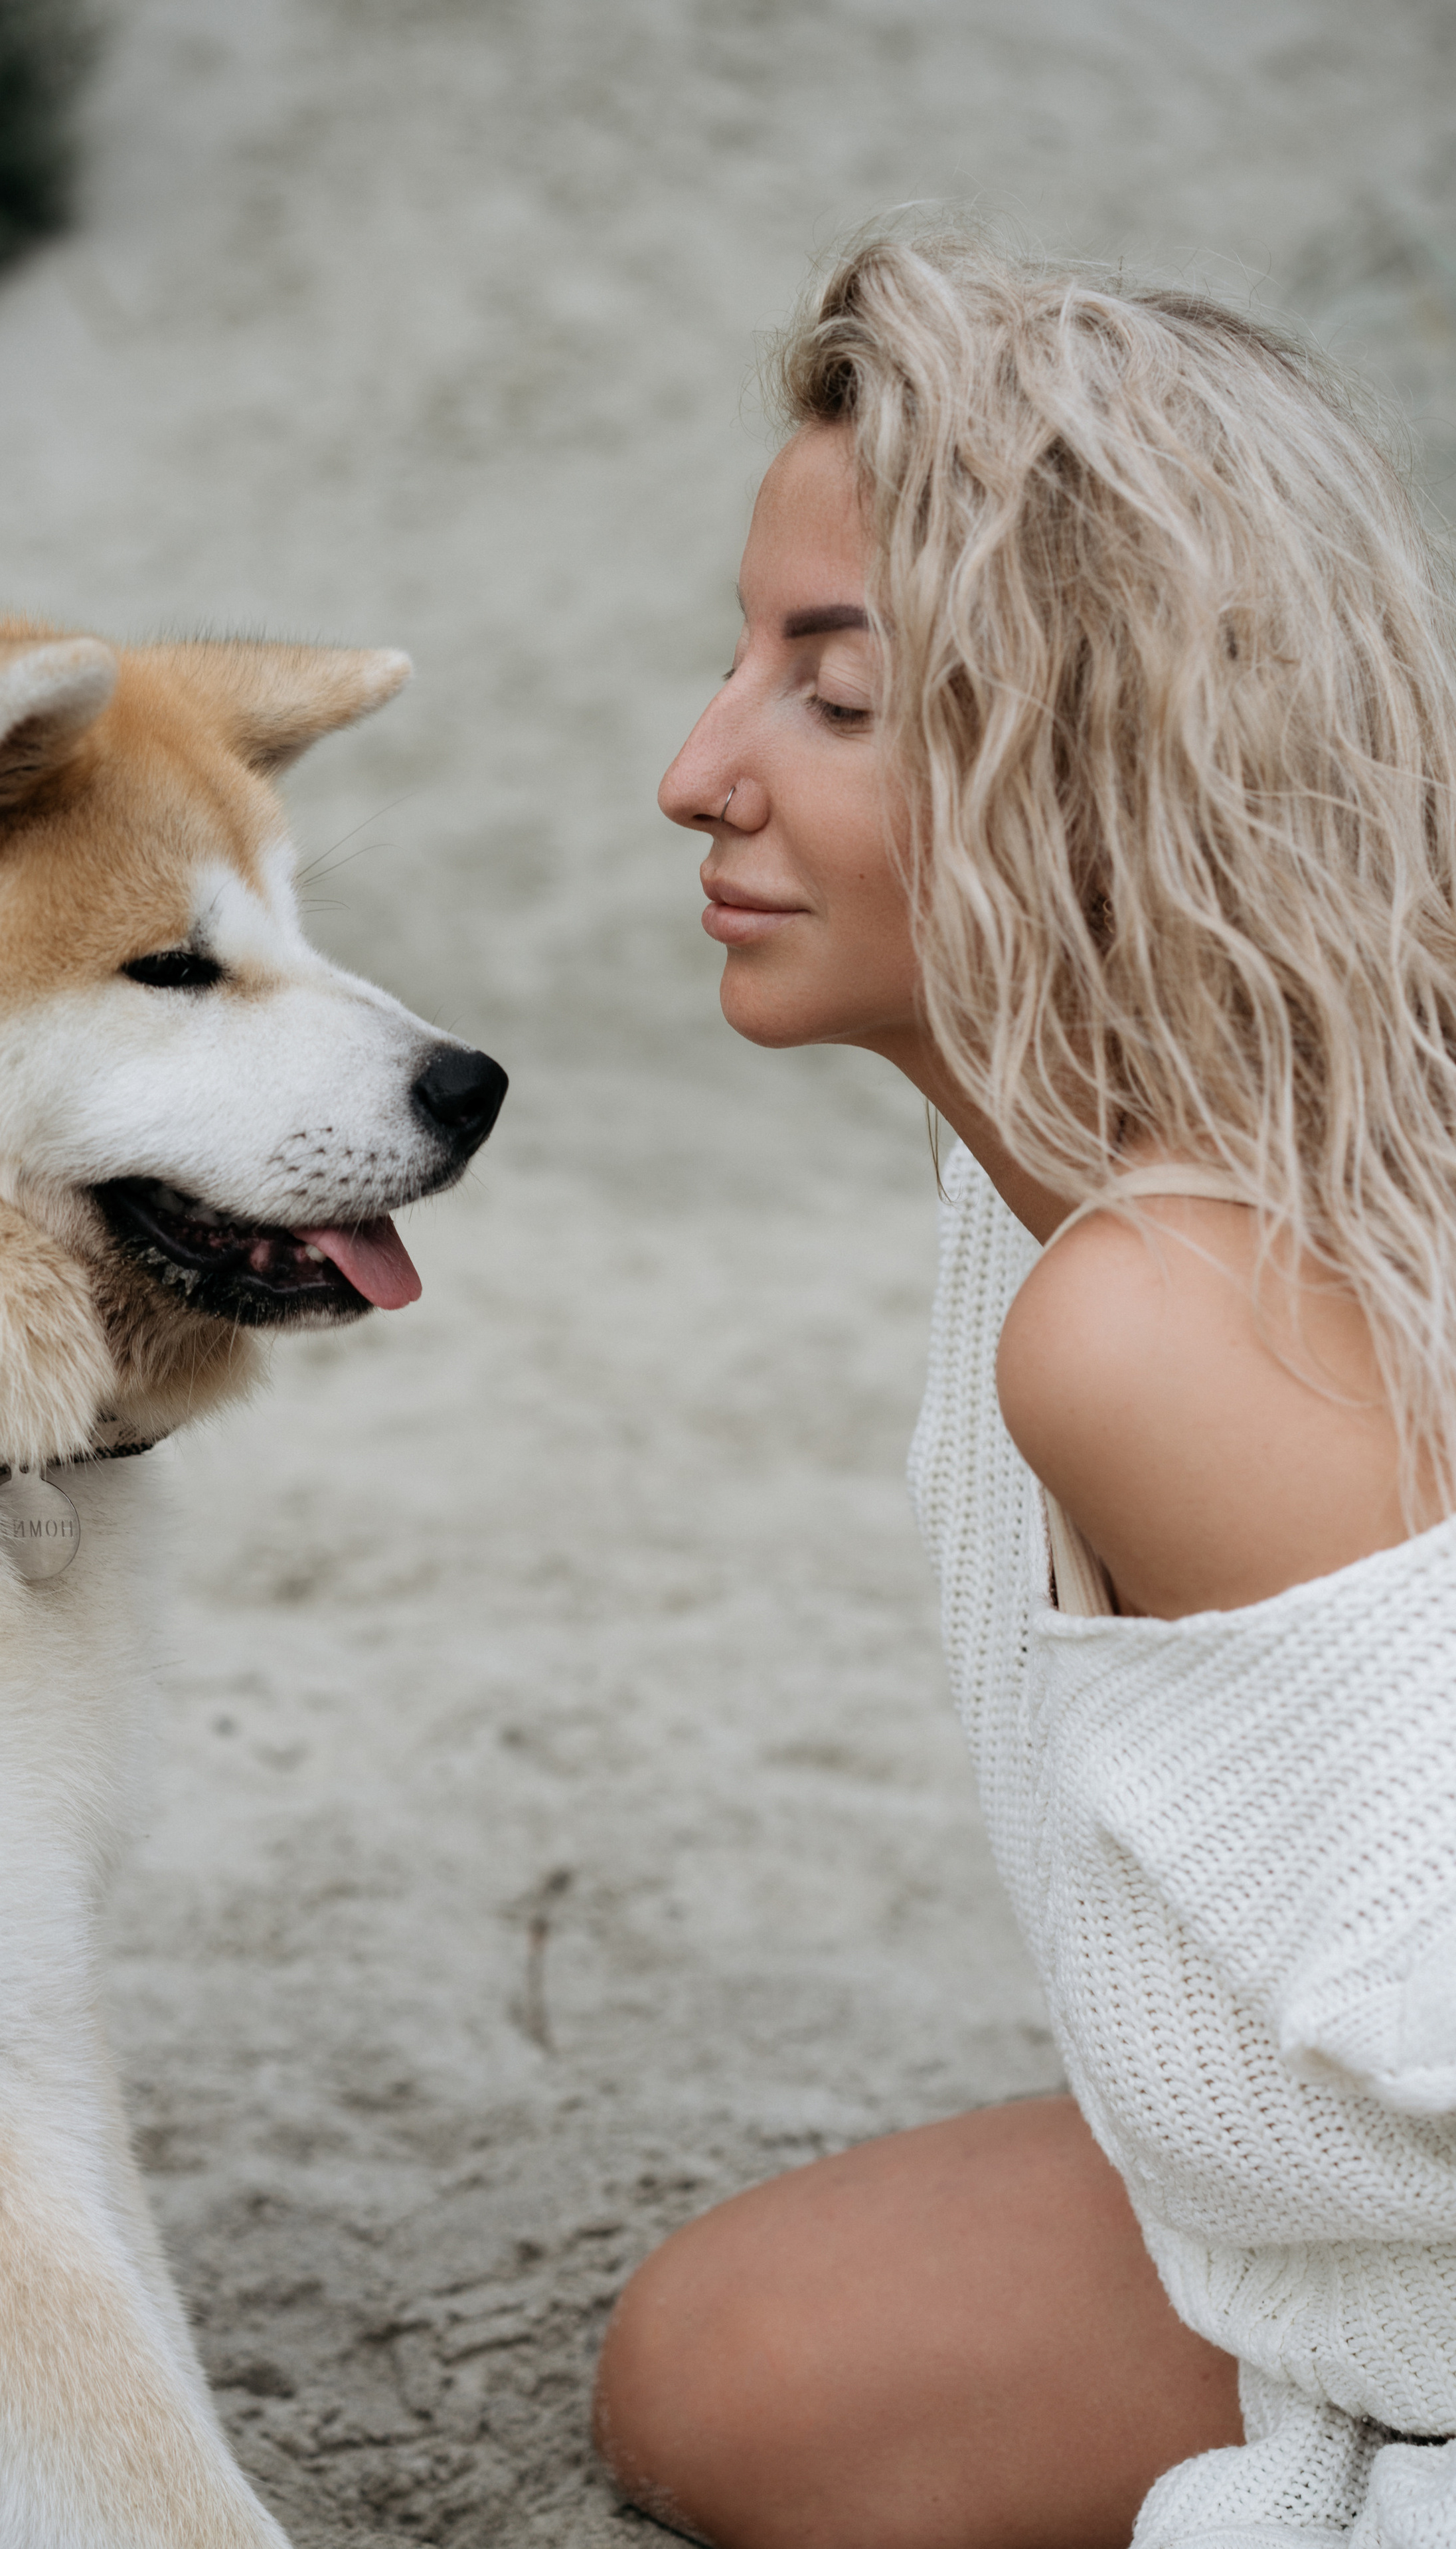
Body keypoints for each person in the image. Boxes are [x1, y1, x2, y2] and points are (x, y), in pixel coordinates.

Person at [590, 228, 1456, 2549]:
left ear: (1105, 752)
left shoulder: (1165, 1311)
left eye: (836, 700)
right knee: (725, 2367)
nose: (699, 772)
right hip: (1348, 2222)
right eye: (745, 664)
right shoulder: (1069, 1168)